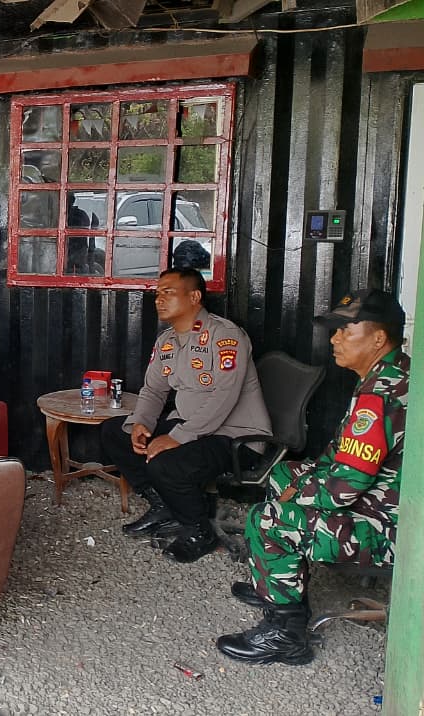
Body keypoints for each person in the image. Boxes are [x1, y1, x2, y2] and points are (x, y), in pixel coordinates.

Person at [217, 289, 409, 666]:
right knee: (282, 473)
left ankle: (286, 635)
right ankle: (278, 582)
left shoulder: (380, 396)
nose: (334, 339)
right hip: (381, 505)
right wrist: (298, 483)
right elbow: (338, 458)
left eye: (345, 330)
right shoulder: (390, 373)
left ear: (378, 338)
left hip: (389, 529)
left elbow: (341, 491)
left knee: (269, 520)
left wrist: (296, 495)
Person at [99, 267, 271, 563]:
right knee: (116, 432)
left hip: (236, 437)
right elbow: (154, 390)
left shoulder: (225, 336)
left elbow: (224, 397)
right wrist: (141, 423)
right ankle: (163, 504)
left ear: (194, 297)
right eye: (157, 294)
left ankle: (199, 532)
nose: (159, 299)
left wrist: (177, 437)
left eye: (168, 292)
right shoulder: (166, 341)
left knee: (166, 463)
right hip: (191, 427)